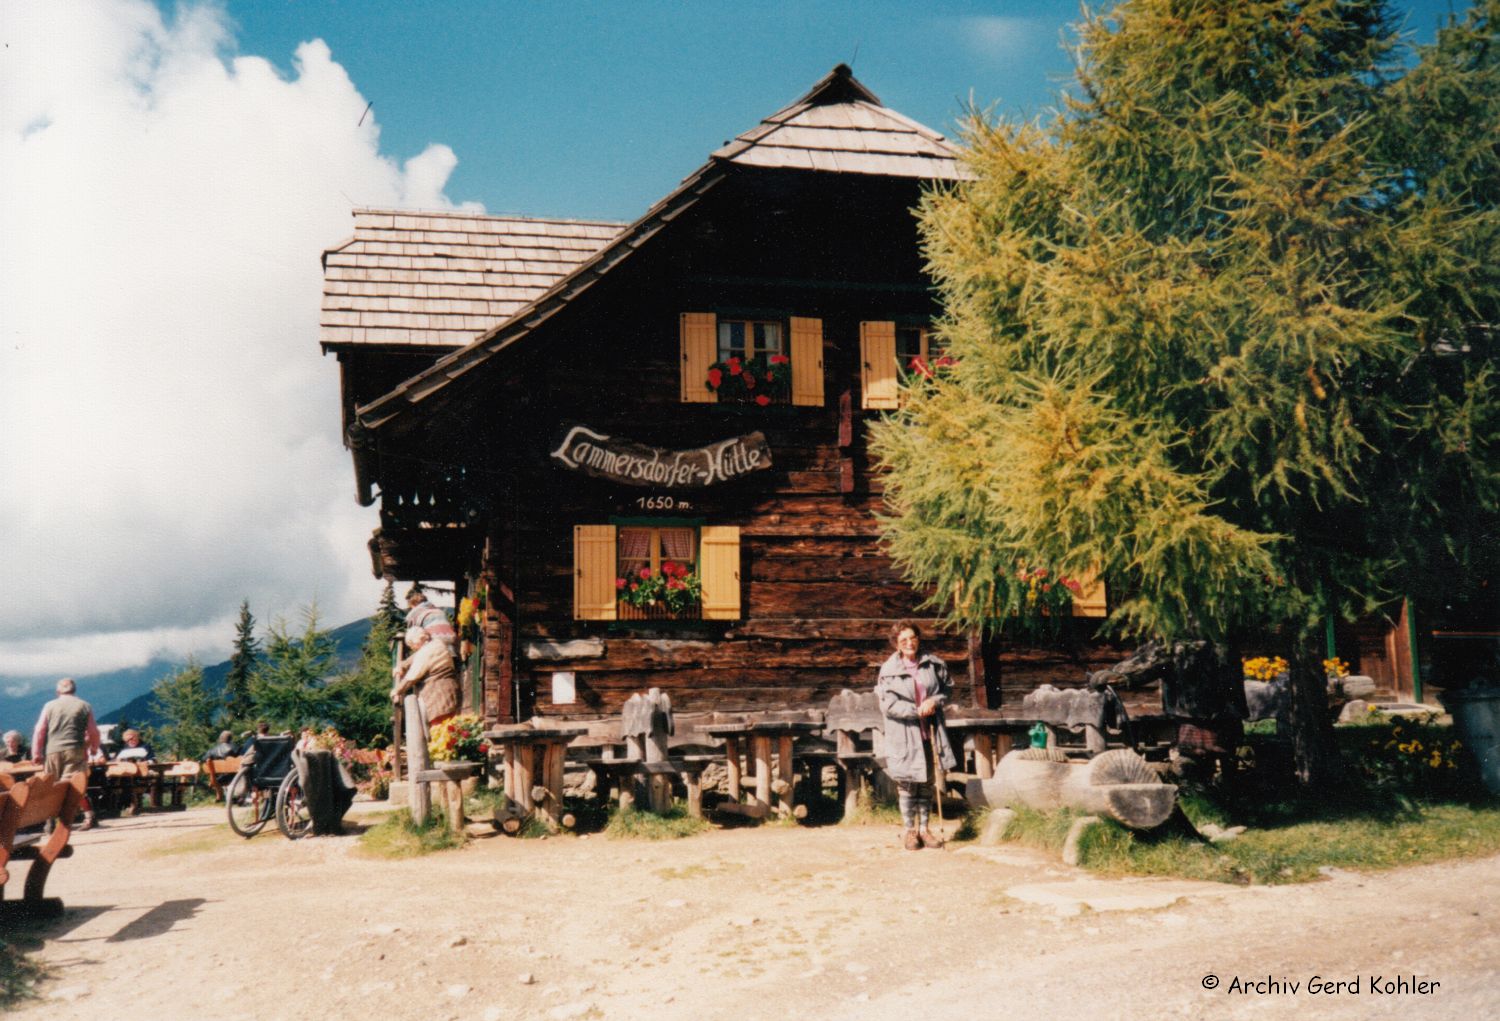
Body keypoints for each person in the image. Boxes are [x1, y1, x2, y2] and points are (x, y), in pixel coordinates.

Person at [876, 622, 957, 851]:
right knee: (907, 781)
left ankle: (925, 829)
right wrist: (916, 710)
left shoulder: (933, 664)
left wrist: (933, 701)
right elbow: (888, 705)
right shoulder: (889, 670)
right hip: (903, 732)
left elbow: (946, 689)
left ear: (918, 639)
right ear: (896, 644)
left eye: (913, 638)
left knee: (926, 782)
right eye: (903, 641)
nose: (909, 643)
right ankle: (909, 831)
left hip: (929, 730)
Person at [30, 677, 103, 829]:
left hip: (52, 751)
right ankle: (88, 817)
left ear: (57, 692)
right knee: (75, 785)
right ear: (74, 690)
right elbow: (93, 731)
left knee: (53, 786)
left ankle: (50, 821)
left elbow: (39, 730)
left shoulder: (49, 705)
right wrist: (94, 748)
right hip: (76, 750)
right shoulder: (84, 705)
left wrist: (36, 753)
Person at [391, 626, 460, 734]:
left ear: (417, 643)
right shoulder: (436, 644)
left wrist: (397, 690)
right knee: (448, 727)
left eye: (413, 646)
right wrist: (403, 666)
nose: (413, 649)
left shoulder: (426, 651)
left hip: (438, 692)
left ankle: (442, 750)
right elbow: (415, 657)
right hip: (448, 687)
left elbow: (412, 676)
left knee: (441, 729)